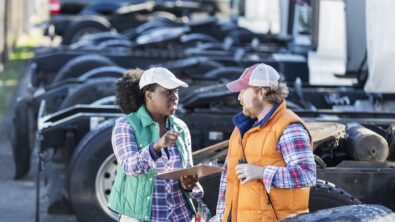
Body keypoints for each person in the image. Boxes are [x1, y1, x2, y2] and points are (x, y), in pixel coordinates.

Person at [211, 63, 316, 222]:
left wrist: (261, 172)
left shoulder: (289, 128)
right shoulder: (240, 130)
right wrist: (220, 217)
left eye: (244, 90)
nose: (239, 97)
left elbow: (307, 175)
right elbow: (228, 179)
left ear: (262, 92)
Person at [108, 67, 204, 222]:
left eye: (176, 91)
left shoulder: (180, 127)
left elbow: (187, 171)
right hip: (143, 218)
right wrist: (156, 147)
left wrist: (189, 185)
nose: (174, 97)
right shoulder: (126, 125)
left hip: (180, 217)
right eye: (167, 92)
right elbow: (129, 167)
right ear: (149, 95)